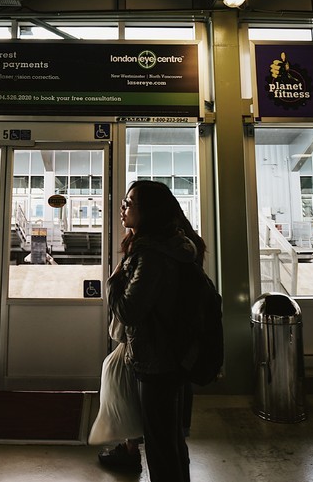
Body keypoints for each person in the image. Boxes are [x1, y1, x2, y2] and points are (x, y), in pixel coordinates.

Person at [106, 180, 203, 482]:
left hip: (157, 359)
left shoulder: (152, 255)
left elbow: (129, 311)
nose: (124, 207)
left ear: (149, 211)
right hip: (174, 355)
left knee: (161, 445)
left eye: (130, 202)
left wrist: (114, 281)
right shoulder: (174, 245)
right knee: (171, 440)